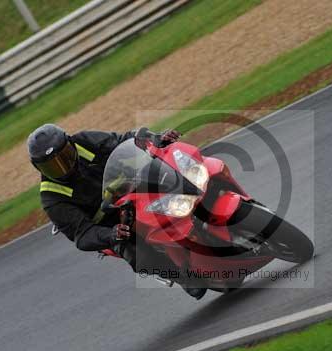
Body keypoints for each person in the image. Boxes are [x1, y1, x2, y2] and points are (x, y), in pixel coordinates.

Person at [27, 123, 207, 299]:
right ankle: (181, 276)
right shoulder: (51, 198)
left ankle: (207, 203)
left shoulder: (83, 141)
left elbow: (122, 140)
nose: (63, 167)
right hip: (111, 224)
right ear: (38, 168)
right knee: (137, 254)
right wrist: (111, 234)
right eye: (52, 166)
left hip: (131, 187)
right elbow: (82, 235)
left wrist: (154, 138)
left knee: (172, 171)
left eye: (65, 156)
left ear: (70, 143)